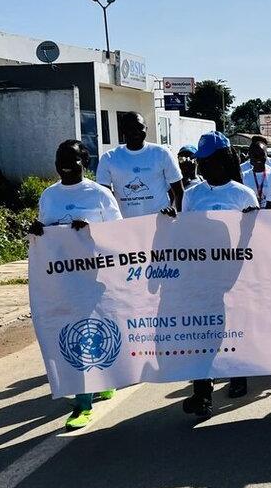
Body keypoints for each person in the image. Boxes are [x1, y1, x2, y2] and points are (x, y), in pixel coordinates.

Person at [28, 140, 121, 430]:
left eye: (72, 159)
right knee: (71, 333)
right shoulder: (49, 195)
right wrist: (38, 231)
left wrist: (91, 231)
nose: (65, 165)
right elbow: (48, 235)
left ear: (86, 162)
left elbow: (119, 234)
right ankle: (101, 384)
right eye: (60, 159)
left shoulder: (100, 195)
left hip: (93, 281)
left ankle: (83, 405)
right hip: (61, 281)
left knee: (84, 336)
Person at [177, 131, 260, 418]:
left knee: (234, 327)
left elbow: (254, 238)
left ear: (223, 160)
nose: (201, 165)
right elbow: (185, 235)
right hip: (202, 277)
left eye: (207, 160)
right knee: (203, 333)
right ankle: (202, 393)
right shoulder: (192, 195)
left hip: (235, 275)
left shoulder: (243, 194)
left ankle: (238, 375)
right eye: (200, 160)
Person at [96, 112, 184, 216]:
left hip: (160, 221)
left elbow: (179, 191)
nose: (136, 131)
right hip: (125, 222)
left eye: (140, 127)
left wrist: (176, 212)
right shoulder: (108, 158)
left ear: (146, 129)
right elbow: (103, 197)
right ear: (123, 130)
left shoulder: (161, 153)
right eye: (130, 128)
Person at [241, 138, 271, 205]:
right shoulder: (243, 177)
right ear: (250, 156)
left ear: (266, 155)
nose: (258, 158)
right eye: (255, 155)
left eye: (262, 154)